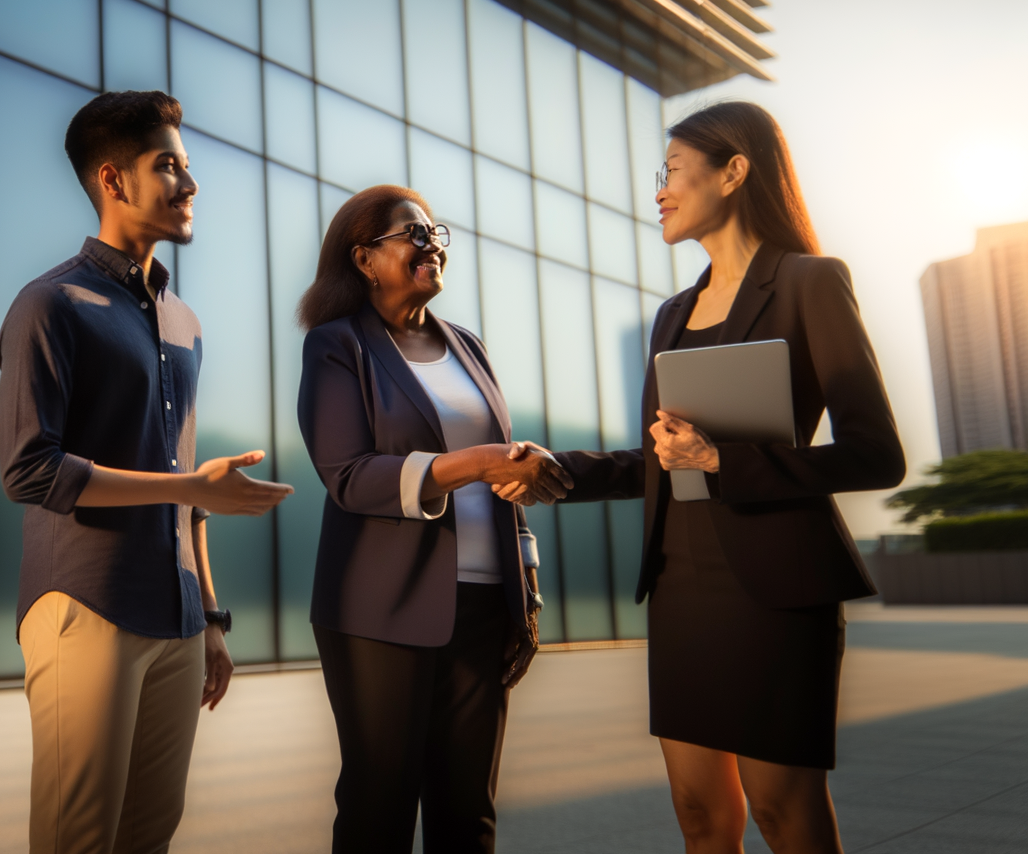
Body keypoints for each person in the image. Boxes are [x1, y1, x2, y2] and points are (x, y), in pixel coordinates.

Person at [552, 102, 905, 854]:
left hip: (775, 588)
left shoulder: (810, 282)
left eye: (674, 172)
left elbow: (878, 454)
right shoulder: (672, 316)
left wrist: (724, 460)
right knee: (700, 814)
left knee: (782, 806)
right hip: (683, 584)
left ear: (734, 171)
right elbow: (658, 456)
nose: (660, 192)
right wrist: (555, 472)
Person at [0, 91, 295, 854]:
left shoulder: (184, 322)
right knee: (79, 839)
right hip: (86, 603)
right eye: (168, 167)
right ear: (112, 180)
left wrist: (214, 620)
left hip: (180, 617)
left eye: (188, 167)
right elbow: (31, 470)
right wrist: (190, 488)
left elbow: (185, 480)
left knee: (150, 835)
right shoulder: (48, 305)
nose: (190, 185)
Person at [295, 184, 575, 853]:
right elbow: (349, 477)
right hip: (379, 609)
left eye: (437, 234)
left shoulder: (468, 346)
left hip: (483, 604)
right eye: (414, 235)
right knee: (378, 804)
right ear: (365, 259)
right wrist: (472, 461)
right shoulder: (337, 346)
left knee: (469, 812)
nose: (433, 246)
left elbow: (509, 477)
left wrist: (525, 587)